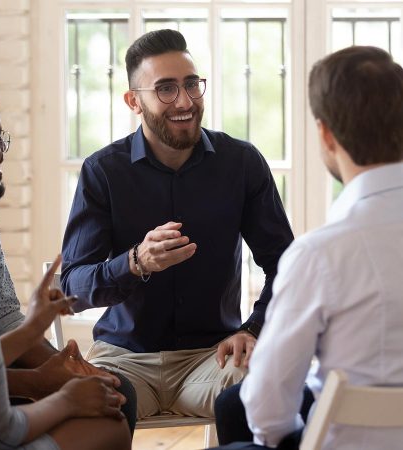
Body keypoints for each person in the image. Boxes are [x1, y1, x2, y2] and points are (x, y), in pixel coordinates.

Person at [61, 28, 293, 419]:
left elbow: (287, 266)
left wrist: (252, 329)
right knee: (94, 407)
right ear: (134, 101)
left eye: (192, 85)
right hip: (125, 359)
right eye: (166, 89)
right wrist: (134, 262)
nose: (185, 101)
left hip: (213, 357)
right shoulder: (103, 172)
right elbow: (71, 289)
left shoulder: (242, 163)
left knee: (263, 389)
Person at [211, 45, 403, 450]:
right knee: (231, 404)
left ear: (326, 134)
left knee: (245, 417)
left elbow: (268, 410)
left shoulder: (320, 255)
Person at [0, 82, 136, 434]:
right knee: (109, 416)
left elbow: (4, 317)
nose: (5, 151)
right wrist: (39, 383)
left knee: (115, 389)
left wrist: (60, 367)